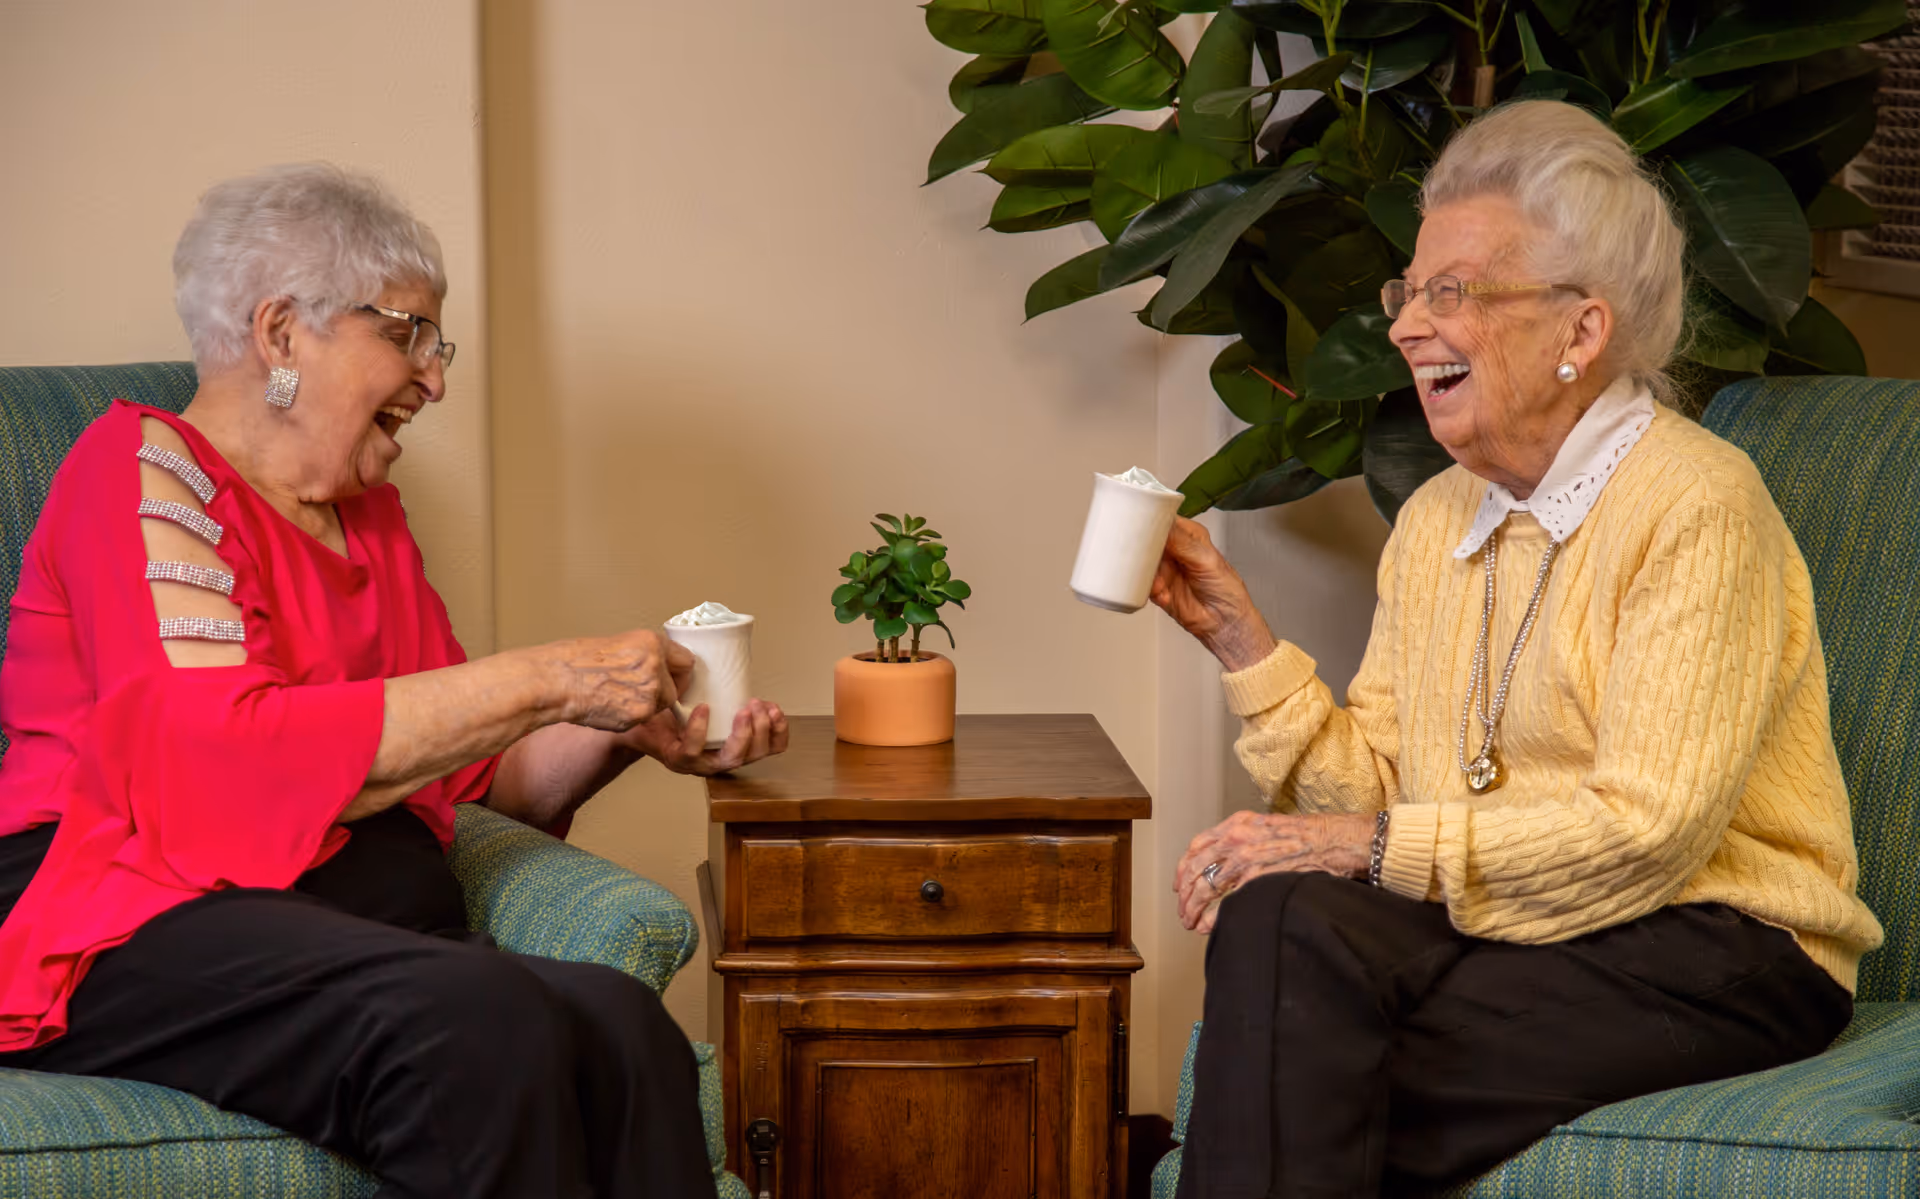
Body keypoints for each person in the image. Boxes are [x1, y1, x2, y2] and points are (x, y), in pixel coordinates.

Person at [0, 163, 787, 1198]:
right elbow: (217, 770)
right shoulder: (143, 467)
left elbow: (472, 781)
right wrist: (553, 673)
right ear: (282, 332)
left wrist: (623, 727)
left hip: (349, 923)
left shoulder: (367, 517)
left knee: (625, 1027)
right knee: (477, 1018)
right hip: (136, 912)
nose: (436, 377)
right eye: (407, 333)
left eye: (436, 343)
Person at [1152, 101, 1884, 1197]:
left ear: (1580, 334)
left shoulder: (1696, 502)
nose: (1403, 327)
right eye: (1408, 292)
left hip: (1720, 945)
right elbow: (1383, 792)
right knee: (1283, 920)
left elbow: (1651, 830)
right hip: (1515, 922)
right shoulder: (1441, 519)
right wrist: (1237, 635)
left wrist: (1364, 844)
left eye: (1451, 291)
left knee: (1299, 1066)